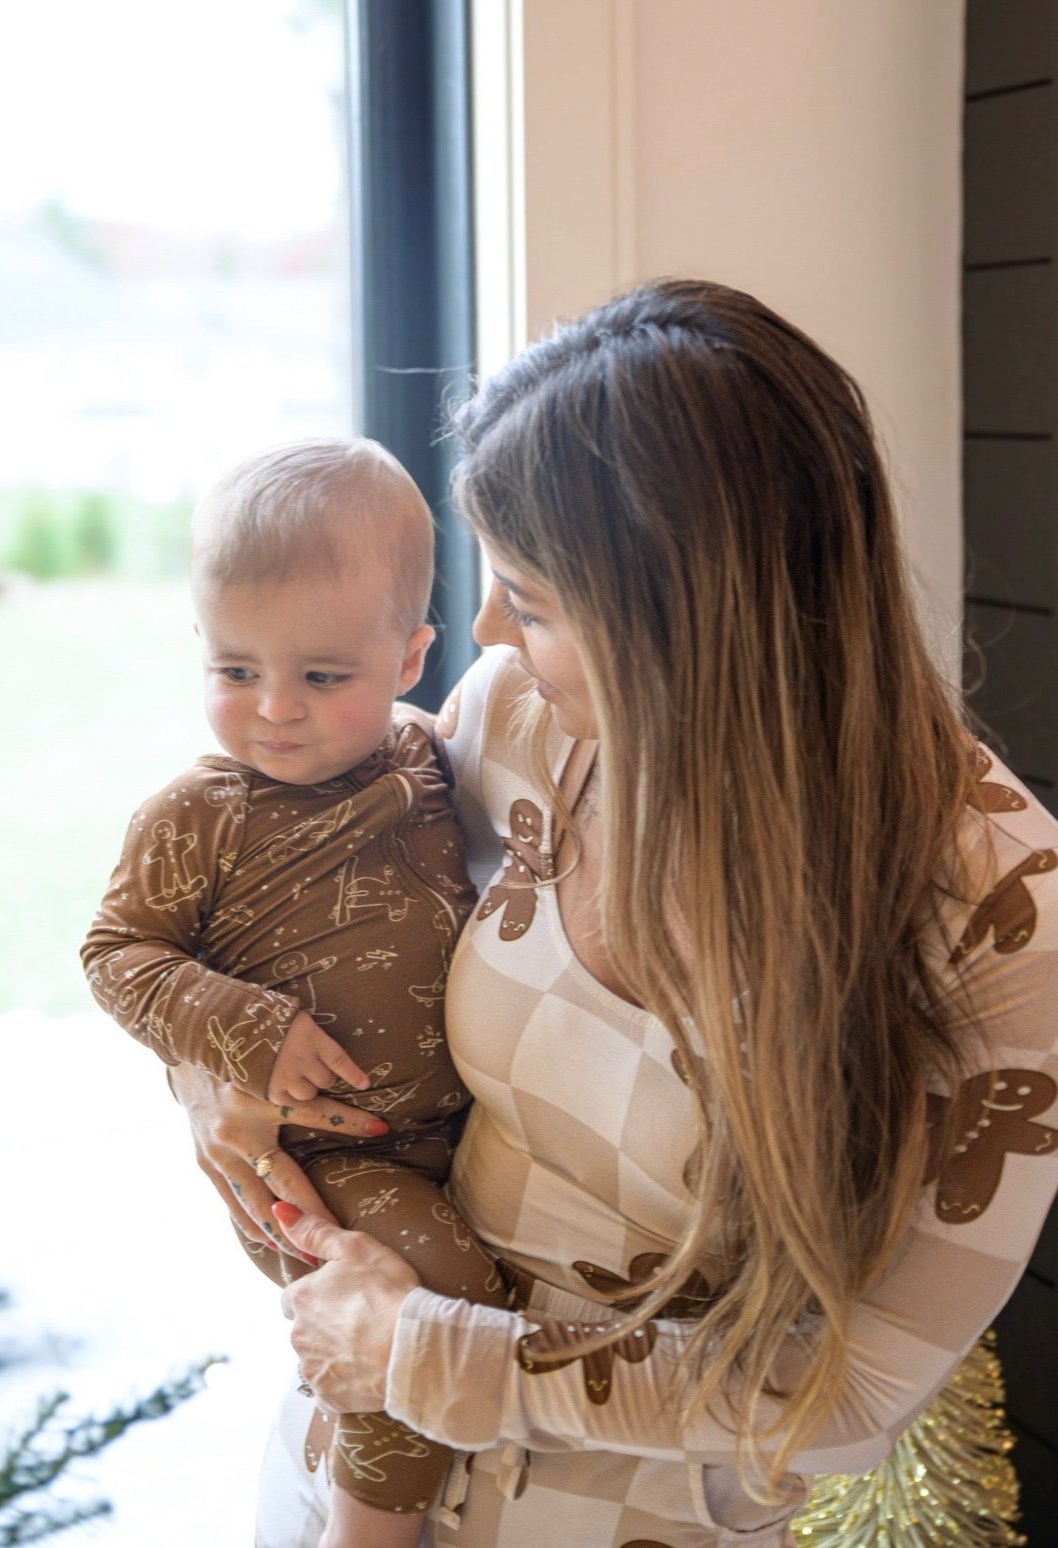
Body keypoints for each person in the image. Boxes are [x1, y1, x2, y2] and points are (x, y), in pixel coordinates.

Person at [168, 281, 1058, 1548]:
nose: (482, 634)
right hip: (359, 1465)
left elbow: (850, 1395)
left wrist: (425, 1353)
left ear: (688, 620)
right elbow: (274, 902)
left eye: (528, 599)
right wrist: (221, 1069)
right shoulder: (519, 724)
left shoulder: (995, 908)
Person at [81, 438, 510, 1548]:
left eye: (323, 677)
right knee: (441, 1295)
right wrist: (242, 1031)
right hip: (323, 1160)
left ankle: (349, 1434)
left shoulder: (430, 762)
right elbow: (118, 951)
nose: (274, 709)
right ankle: (368, 1529)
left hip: (448, 1131)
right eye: (234, 672)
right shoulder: (199, 815)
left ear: (411, 655)